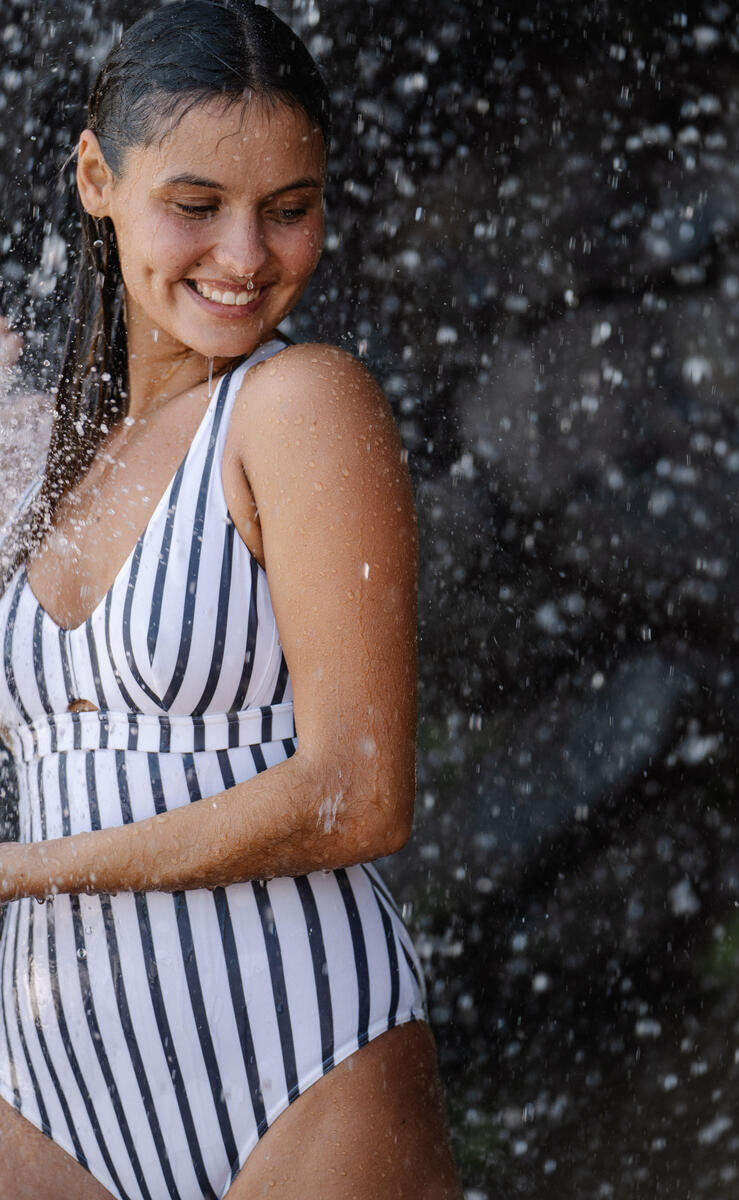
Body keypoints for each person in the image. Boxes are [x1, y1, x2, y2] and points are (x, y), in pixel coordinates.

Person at [0, 2, 463, 1197]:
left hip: (298, 1053)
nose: (247, 257)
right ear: (97, 177)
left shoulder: (299, 404)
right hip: (47, 1084)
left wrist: (21, 872)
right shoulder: (32, 449)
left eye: (290, 209)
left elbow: (357, 798)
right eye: (196, 206)